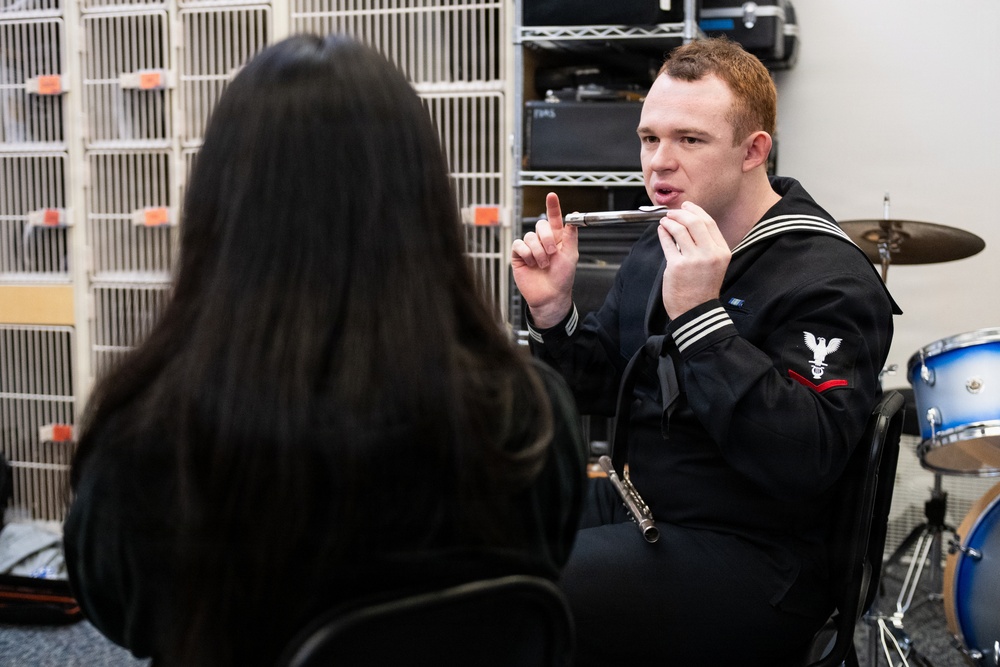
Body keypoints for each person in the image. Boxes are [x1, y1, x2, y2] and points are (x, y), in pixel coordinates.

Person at [63, 34, 588, 667]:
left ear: (220, 204)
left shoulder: (150, 437)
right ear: (424, 202)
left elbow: (119, 611)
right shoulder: (533, 418)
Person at [511, 37, 899, 666]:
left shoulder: (829, 280)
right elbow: (603, 383)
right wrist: (554, 313)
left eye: (689, 140)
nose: (659, 163)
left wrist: (700, 317)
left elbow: (803, 458)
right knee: (463, 535)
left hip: (761, 556)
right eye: (649, 138)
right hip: (644, 503)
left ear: (754, 151)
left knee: (526, 594)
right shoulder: (664, 237)